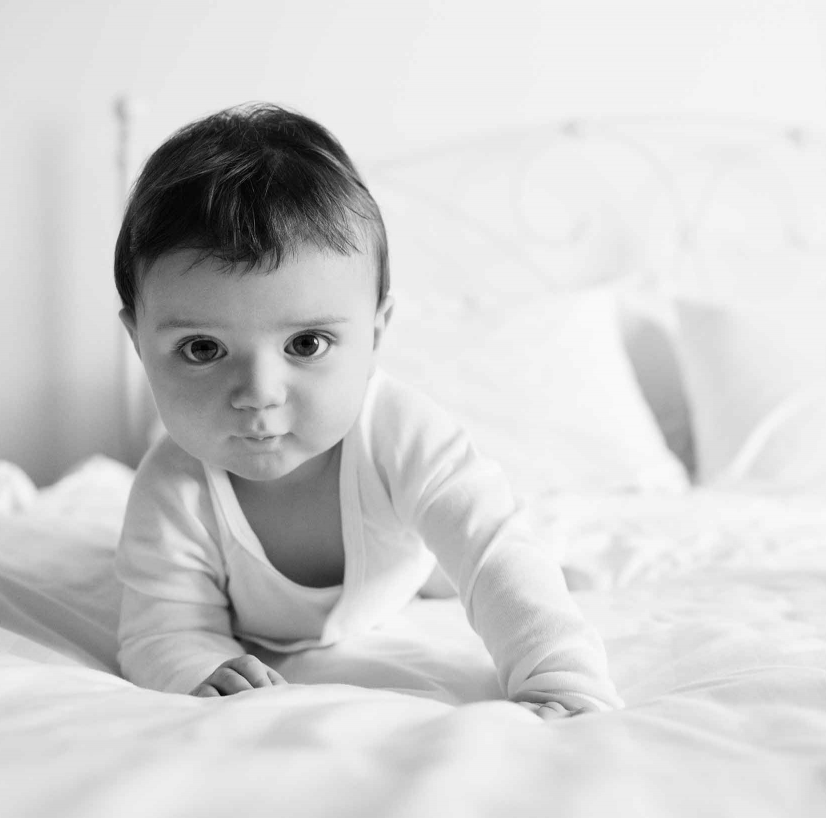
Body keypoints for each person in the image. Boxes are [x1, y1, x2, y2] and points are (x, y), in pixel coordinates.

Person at [112, 103, 623, 719]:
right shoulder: (173, 488)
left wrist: (561, 680)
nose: (259, 392)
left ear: (377, 333)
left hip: (396, 566)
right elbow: (162, 629)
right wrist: (202, 672)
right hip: (308, 598)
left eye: (305, 344)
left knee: (471, 561)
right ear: (139, 342)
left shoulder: (402, 434)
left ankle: (443, 569)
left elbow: (494, 551)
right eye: (202, 349)